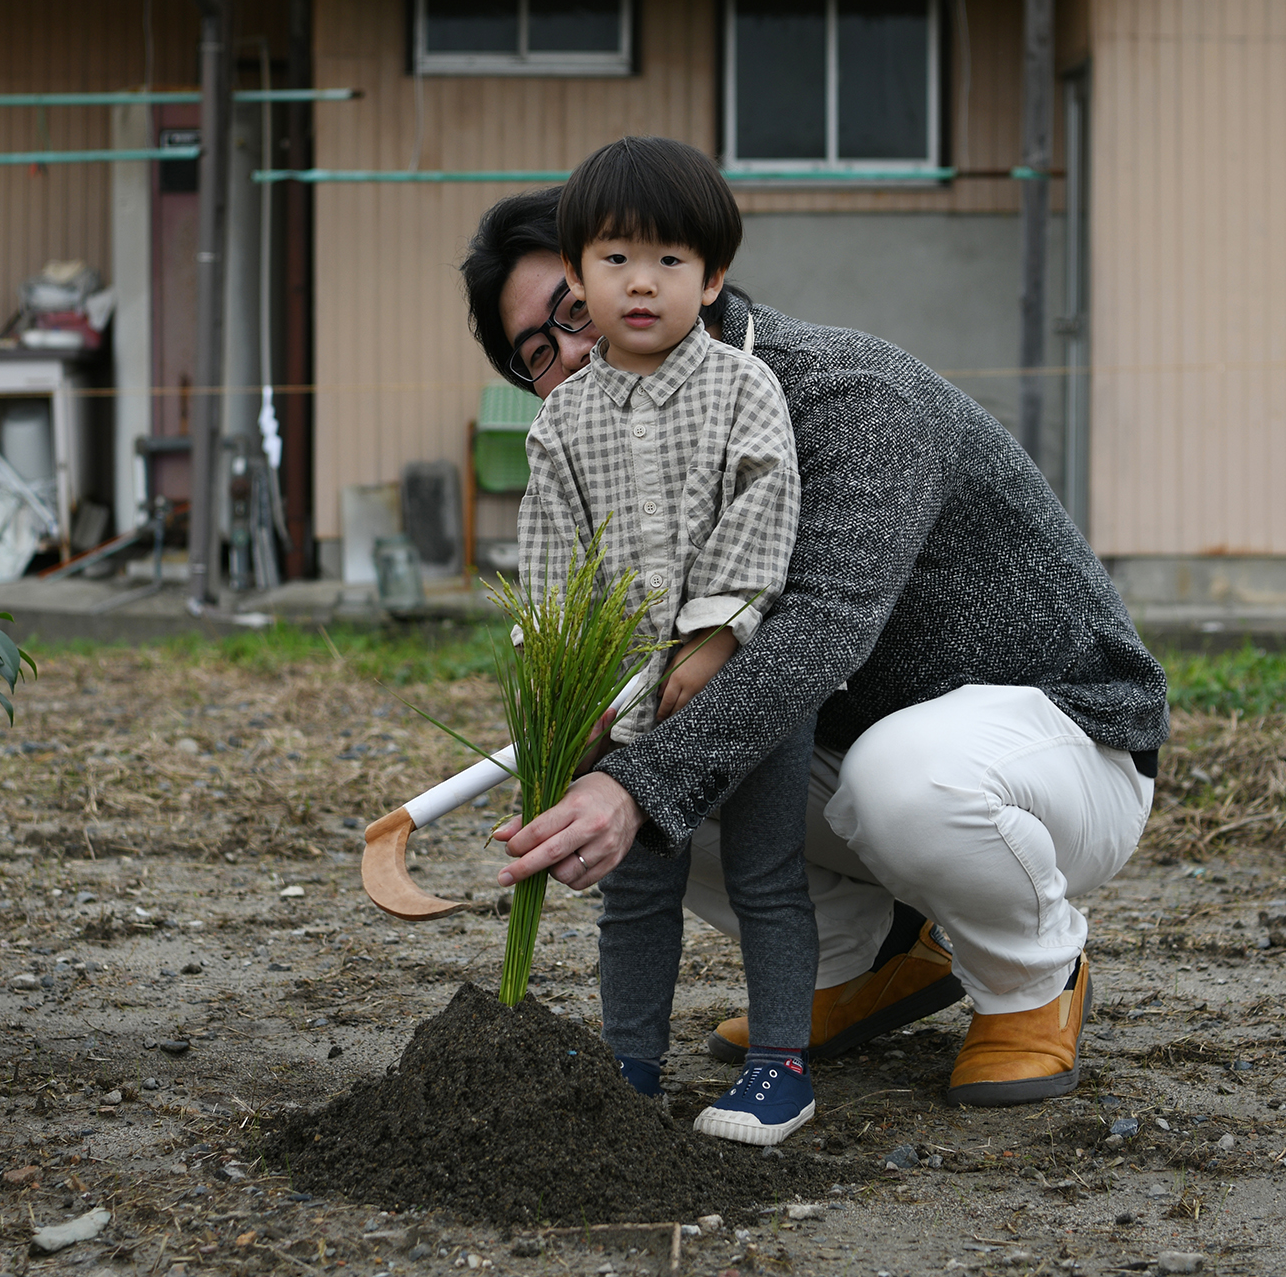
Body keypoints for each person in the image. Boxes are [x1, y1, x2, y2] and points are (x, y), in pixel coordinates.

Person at [461, 172, 1167, 1108]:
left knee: (868, 779)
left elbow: (821, 626)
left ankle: (1033, 976)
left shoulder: (845, 393)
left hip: (1060, 745)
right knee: (634, 770)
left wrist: (637, 784)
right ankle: (869, 959)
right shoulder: (608, 446)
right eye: (538, 351)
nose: (575, 352)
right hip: (847, 740)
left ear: (693, 273)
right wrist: (579, 750)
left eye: (575, 308)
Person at [519, 136, 817, 1146]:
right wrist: (567, 683)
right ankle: (630, 1069)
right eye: (614, 259)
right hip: (624, 693)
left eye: (670, 262)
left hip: (747, 686)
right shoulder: (563, 425)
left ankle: (781, 1065)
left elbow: (763, 508)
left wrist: (715, 638)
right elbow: (550, 563)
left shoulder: (744, 389)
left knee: (766, 873)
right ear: (575, 275)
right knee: (634, 887)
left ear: (714, 277)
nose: (640, 283)